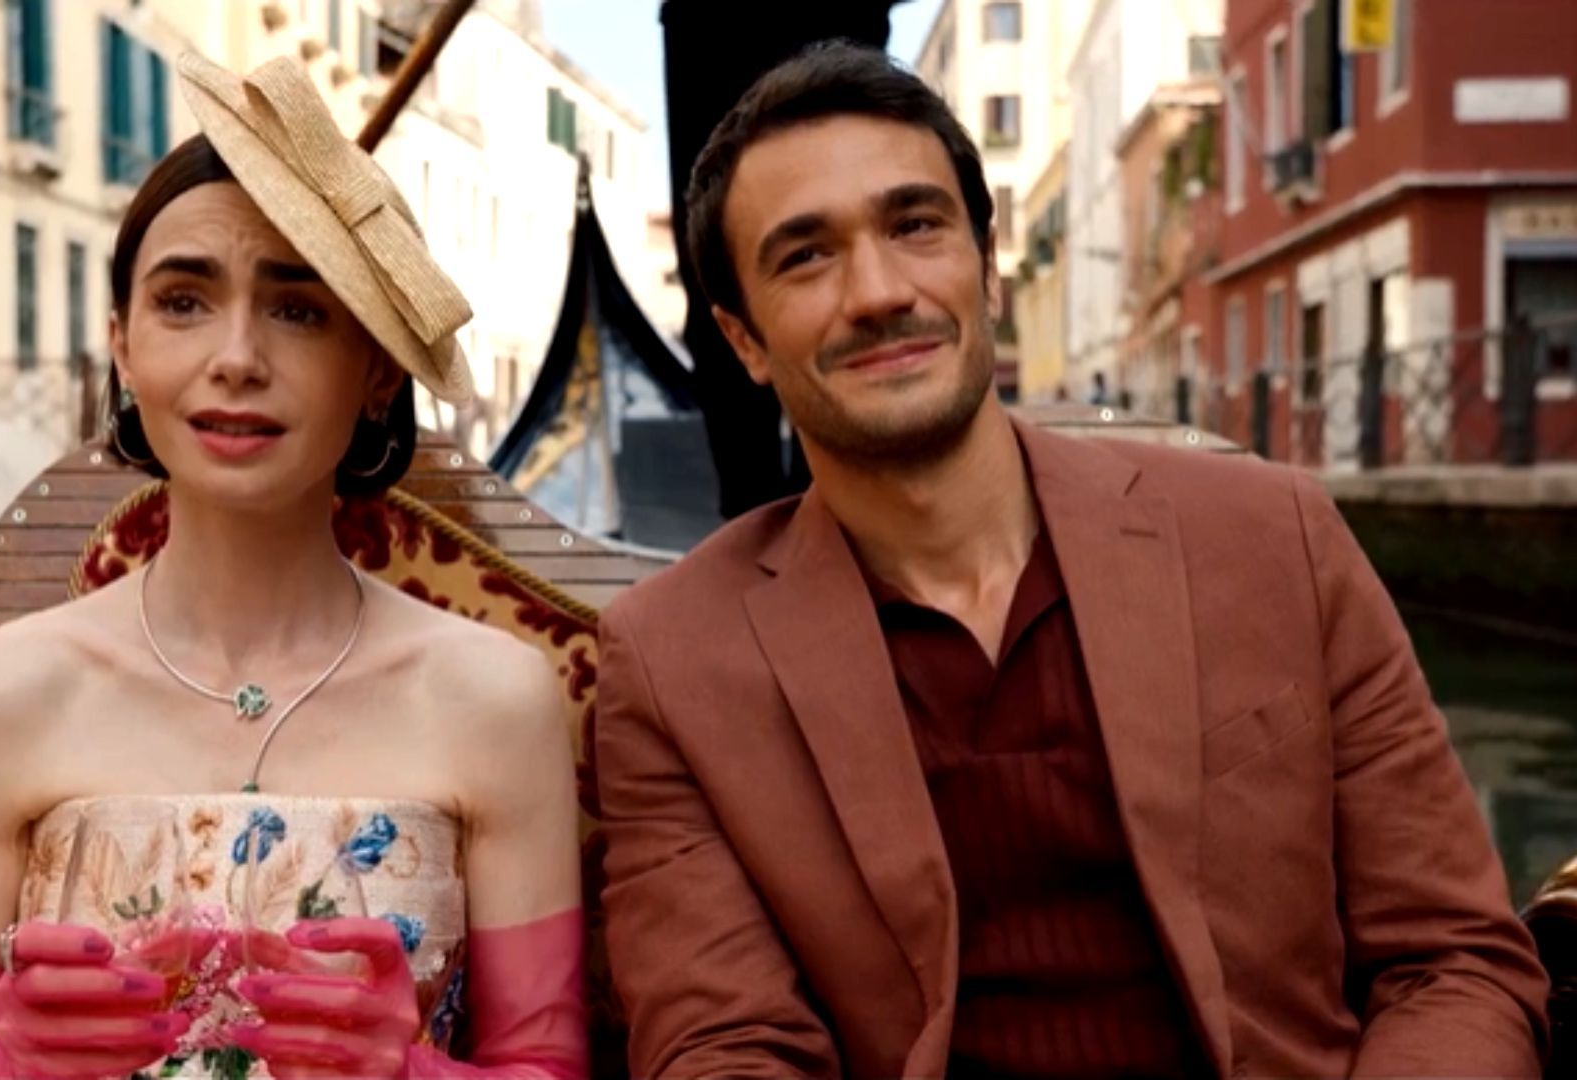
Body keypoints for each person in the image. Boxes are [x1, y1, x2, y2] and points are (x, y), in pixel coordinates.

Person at [593, 41, 1548, 1080]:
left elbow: (1453, 959)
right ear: (743, 340)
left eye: (915, 226)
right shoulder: (670, 660)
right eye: (806, 257)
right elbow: (726, 1045)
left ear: (985, 267)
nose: (877, 291)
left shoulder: (1276, 536)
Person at [0, 53, 586, 1080]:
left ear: (378, 371)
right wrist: (9, 1067)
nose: (236, 357)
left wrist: (408, 1072)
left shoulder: (496, 700)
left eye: (298, 310)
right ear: (123, 347)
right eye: (183, 302)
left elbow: (545, 1067)